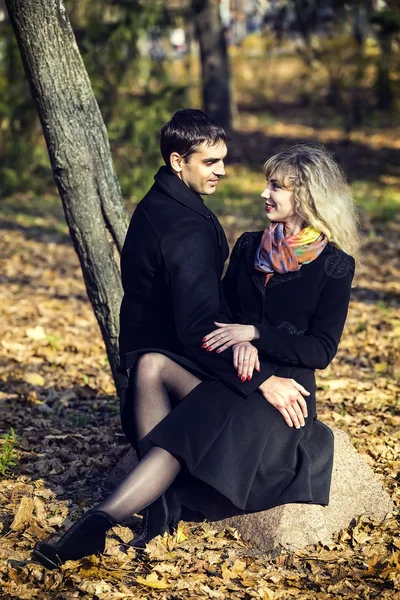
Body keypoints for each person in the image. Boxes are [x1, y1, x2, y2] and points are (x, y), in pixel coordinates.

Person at [32, 117, 359, 570]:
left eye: (277, 187)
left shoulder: (335, 266)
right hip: (240, 373)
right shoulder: (249, 247)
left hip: (284, 394)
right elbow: (222, 312)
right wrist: (239, 341)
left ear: (305, 197)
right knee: (151, 366)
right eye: (268, 183)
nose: (264, 193)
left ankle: (99, 522)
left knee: (185, 433)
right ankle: (100, 525)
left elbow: (321, 349)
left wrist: (257, 336)